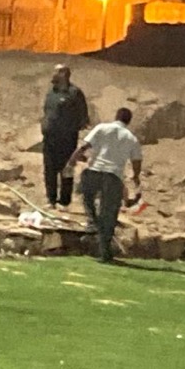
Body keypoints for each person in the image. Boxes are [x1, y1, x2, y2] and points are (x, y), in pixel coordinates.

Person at [70, 108, 143, 265]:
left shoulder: (102, 128)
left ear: (116, 116)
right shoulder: (131, 138)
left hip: (94, 170)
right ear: (128, 121)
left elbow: (85, 146)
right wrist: (136, 177)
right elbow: (137, 161)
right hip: (113, 176)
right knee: (109, 215)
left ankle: (92, 223)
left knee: (87, 198)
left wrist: (72, 160)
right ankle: (105, 251)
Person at [41, 65, 89, 209]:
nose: (53, 74)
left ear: (63, 74)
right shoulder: (51, 93)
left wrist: (69, 129)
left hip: (67, 139)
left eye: (56, 71)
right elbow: (47, 111)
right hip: (50, 138)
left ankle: (64, 201)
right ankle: (51, 199)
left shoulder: (74, 93)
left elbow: (83, 117)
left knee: (66, 169)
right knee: (49, 168)